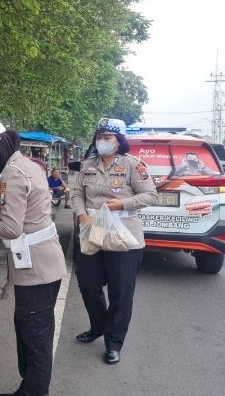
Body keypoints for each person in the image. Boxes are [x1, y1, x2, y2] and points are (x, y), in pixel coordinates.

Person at [0, 123, 67, 396]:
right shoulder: (27, 166)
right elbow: (3, 215)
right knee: (29, 332)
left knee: (35, 338)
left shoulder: (11, 175)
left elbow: (11, 228)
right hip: (39, 265)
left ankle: (35, 392)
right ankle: (29, 388)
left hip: (37, 269)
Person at [71, 117, 157, 365]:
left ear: (118, 142)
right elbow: (77, 193)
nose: (102, 142)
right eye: (99, 137)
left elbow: (150, 194)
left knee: (121, 293)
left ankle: (113, 342)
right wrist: (81, 214)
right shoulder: (88, 166)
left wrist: (123, 203)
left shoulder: (132, 165)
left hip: (124, 236)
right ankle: (98, 326)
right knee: (88, 283)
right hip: (93, 232)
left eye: (107, 138)